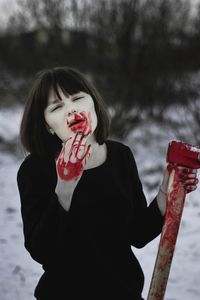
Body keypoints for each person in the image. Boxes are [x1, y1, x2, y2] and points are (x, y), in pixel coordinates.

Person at [17, 66, 198, 300]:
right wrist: (64, 186)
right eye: (57, 106)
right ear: (47, 125)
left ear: (92, 103)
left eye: (78, 98)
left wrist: (166, 191)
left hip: (124, 293)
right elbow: (41, 250)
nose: (71, 109)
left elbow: (138, 233)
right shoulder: (35, 170)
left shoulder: (120, 156)